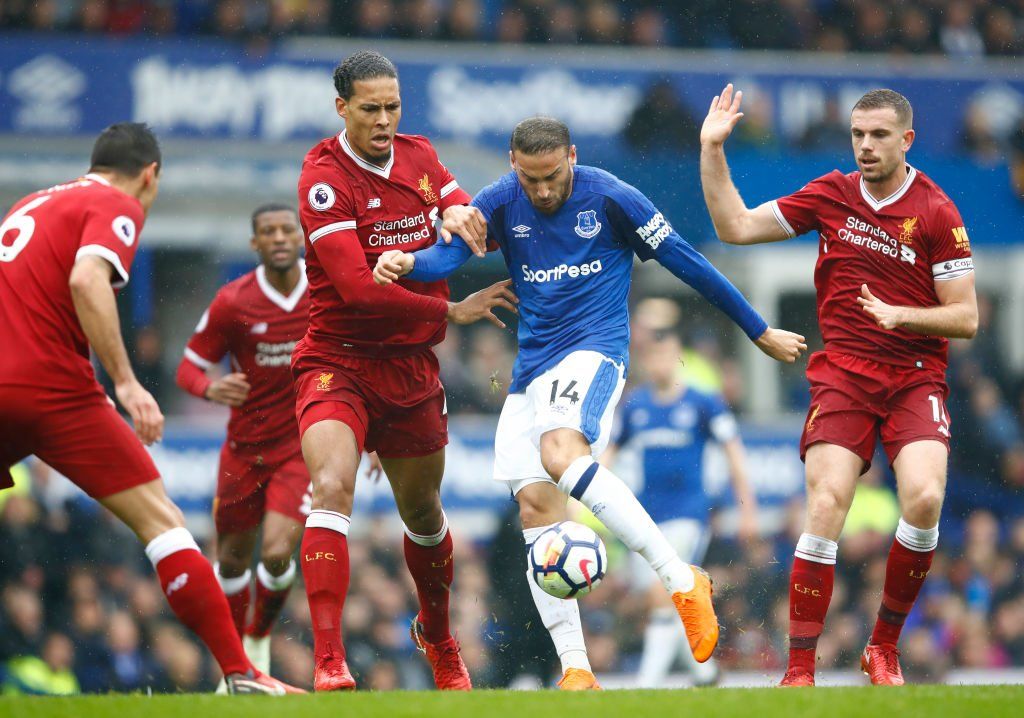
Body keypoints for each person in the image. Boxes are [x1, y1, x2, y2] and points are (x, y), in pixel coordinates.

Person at [374, 115, 806, 690]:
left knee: (561, 451)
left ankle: (680, 580)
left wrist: (757, 330)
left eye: (552, 176)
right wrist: (408, 263)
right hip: (531, 371)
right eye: (531, 180)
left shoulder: (612, 198)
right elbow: (448, 256)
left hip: (595, 352)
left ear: (572, 157)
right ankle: (577, 668)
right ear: (512, 167)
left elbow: (689, 262)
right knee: (535, 511)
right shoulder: (500, 201)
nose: (543, 190)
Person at [0, 123, 300, 695]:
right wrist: (127, 384)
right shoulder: (114, 203)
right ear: (150, 175)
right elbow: (88, 279)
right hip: (52, 386)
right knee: (163, 523)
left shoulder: (31, 203)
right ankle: (241, 673)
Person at [699, 85, 978, 686]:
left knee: (925, 498)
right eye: (858, 135)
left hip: (914, 376)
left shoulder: (936, 212)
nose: (866, 147)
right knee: (825, 503)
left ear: (907, 140)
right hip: (845, 373)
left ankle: (882, 647)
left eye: (879, 136)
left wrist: (905, 315)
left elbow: (968, 317)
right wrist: (711, 150)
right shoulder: (831, 194)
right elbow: (736, 227)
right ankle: (800, 670)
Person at [293, 50, 516, 692]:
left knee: (423, 514)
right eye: (370, 109)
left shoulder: (419, 155)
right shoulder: (323, 178)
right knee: (332, 486)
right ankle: (330, 658)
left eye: (392, 106)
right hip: (337, 362)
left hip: (411, 370)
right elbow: (359, 292)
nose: (385, 120)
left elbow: (470, 225)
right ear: (342, 109)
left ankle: (440, 638)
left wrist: (444, 225)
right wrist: (452, 304)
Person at [175, 203, 309, 678]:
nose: (277, 238)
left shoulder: (326, 294)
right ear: (254, 244)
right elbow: (188, 366)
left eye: (285, 230)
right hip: (243, 450)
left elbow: (363, 360)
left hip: (300, 448)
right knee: (230, 564)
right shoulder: (234, 301)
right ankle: (233, 668)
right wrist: (209, 387)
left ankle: (258, 639)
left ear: (301, 236)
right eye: (267, 232)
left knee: (275, 552)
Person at [602, 329, 758, 687]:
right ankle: (704, 672)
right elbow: (609, 454)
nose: (660, 363)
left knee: (663, 592)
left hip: (689, 513)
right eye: (653, 356)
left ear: (679, 358)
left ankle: (647, 684)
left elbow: (734, 452)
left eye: (666, 355)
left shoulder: (704, 402)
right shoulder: (635, 406)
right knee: (665, 598)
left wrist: (747, 510)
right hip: (645, 517)